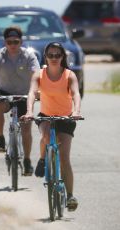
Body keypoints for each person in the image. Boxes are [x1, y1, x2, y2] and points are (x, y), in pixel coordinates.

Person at [22, 42, 82, 210]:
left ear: (63, 57)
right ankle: (42, 159)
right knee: (46, 135)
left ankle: (70, 195)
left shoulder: (69, 75)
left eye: (57, 55)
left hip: (66, 118)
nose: (54, 58)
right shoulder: (39, 74)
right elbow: (32, 93)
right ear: (45, 57)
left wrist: (76, 110)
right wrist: (29, 111)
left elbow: (76, 93)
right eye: (51, 55)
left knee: (64, 158)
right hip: (46, 116)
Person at [0, 26, 40, 176]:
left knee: (26, 128)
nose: (13, 45)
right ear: (5, 42)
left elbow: (36, 74)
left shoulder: (29, 55)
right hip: (5, 92)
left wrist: (37, 91)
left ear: (21, 41)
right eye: (9, 42)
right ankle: (1, 138)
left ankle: (27, 161)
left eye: (16, 41)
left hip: (24, 94)